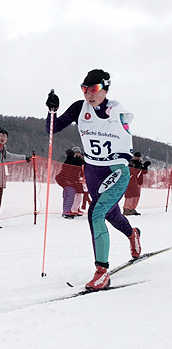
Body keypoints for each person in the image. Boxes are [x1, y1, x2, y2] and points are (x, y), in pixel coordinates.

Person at [46, 69, 141, 290]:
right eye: (84, 89)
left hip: (115, 170)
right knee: (110, 214)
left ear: (105, 89)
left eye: (94, 89)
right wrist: (52, 111)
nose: (89, 94)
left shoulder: (117, 110)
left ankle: (102, 272)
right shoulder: (80, 108)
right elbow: (51, 129)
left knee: (95, 213)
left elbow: (126, 136)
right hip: (93, 171)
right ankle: (132, 234)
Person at [55, 147, 84, 219]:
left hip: (72, 181)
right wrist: (71, 155)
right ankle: (67, 211)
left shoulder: (78, 161)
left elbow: (81, 165)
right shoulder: (69, 160)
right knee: (69, 195)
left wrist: (82, 159)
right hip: (67, 180)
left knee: (72, 195)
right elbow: (69, 164)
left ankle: (71, 210)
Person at [123, 152, 151, 216]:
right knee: (130, 195)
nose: (138, 157)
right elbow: (132, 172)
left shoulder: (140, 163)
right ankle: (127, 209)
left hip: (139, 181)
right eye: (136, 156)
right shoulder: (131, 163)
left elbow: (144, 172)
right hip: (132, 181)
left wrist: (145, 166)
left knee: (137, 196)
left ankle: (133, 208)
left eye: (139, 156)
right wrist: (140, 167)